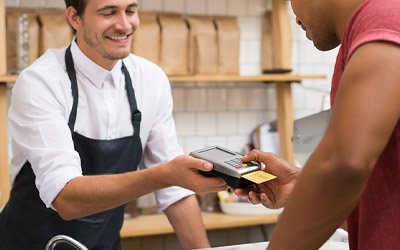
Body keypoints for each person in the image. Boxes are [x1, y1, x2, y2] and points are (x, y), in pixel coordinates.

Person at [0, 0, 228, 249]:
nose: (124, 25)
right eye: (109, 13)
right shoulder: (41, 82)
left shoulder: (151, 80)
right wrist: (164, 175)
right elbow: (65, 199)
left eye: (130, 11)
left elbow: (175, 192)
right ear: (75, 18)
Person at [235, 0, 400, 249]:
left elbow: (342, 165)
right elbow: (382, 200)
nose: (295, 17)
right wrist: (300, 189)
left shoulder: (383, 17)